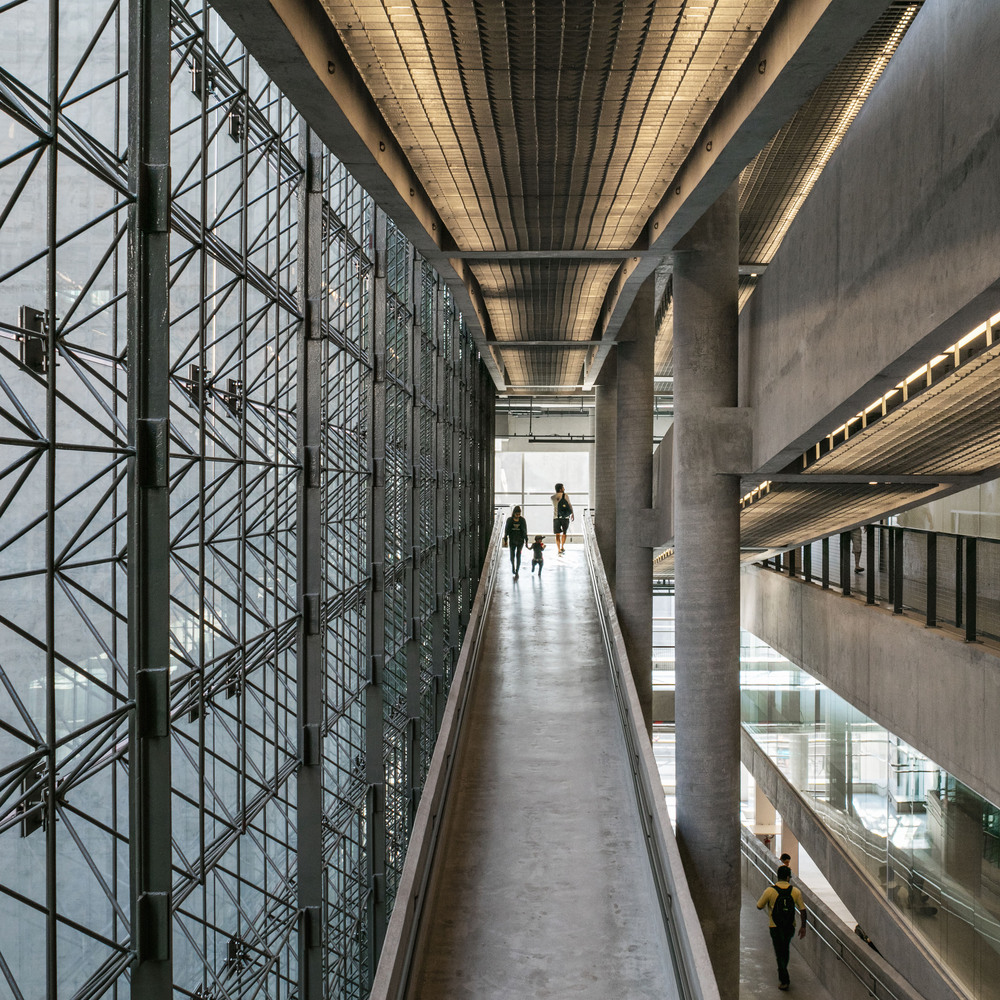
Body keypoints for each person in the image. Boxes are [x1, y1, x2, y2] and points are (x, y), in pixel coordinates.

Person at [757, 865, 807, 991]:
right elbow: (803, 910)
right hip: (790, 927)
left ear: (777, 876)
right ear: (788, 877)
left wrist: (770, 904)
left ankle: (784, 979)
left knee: (779, 952)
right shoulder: (795, 891)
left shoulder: (770, 891)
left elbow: (759, 906)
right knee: (785, 950)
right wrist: (803, 927)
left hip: (775, 926)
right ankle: (783, 974)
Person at [503, 505, 528, 579]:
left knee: (518, 555)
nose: (518, 516)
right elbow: (506, 530)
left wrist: (526, 540)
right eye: (517, 514)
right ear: (514, 513)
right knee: (512, 555)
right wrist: (505, 539)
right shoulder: (510, 520)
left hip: (520, 540)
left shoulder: (522, 520)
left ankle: (517, 570)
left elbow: (524, 530)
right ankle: (513, 567)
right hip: (512, 540)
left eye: (519, 514)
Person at [550, 483, 574, 555]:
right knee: (564, 533)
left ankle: (558, 549)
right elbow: (569, 505)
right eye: (563, 488)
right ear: (560, 489)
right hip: (565, 517)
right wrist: (572, 513)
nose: (564, 489)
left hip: (556, 517)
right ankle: (562, 546)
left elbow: (554, 505)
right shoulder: (565, 496)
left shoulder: (552, 497)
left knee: (557, 534)